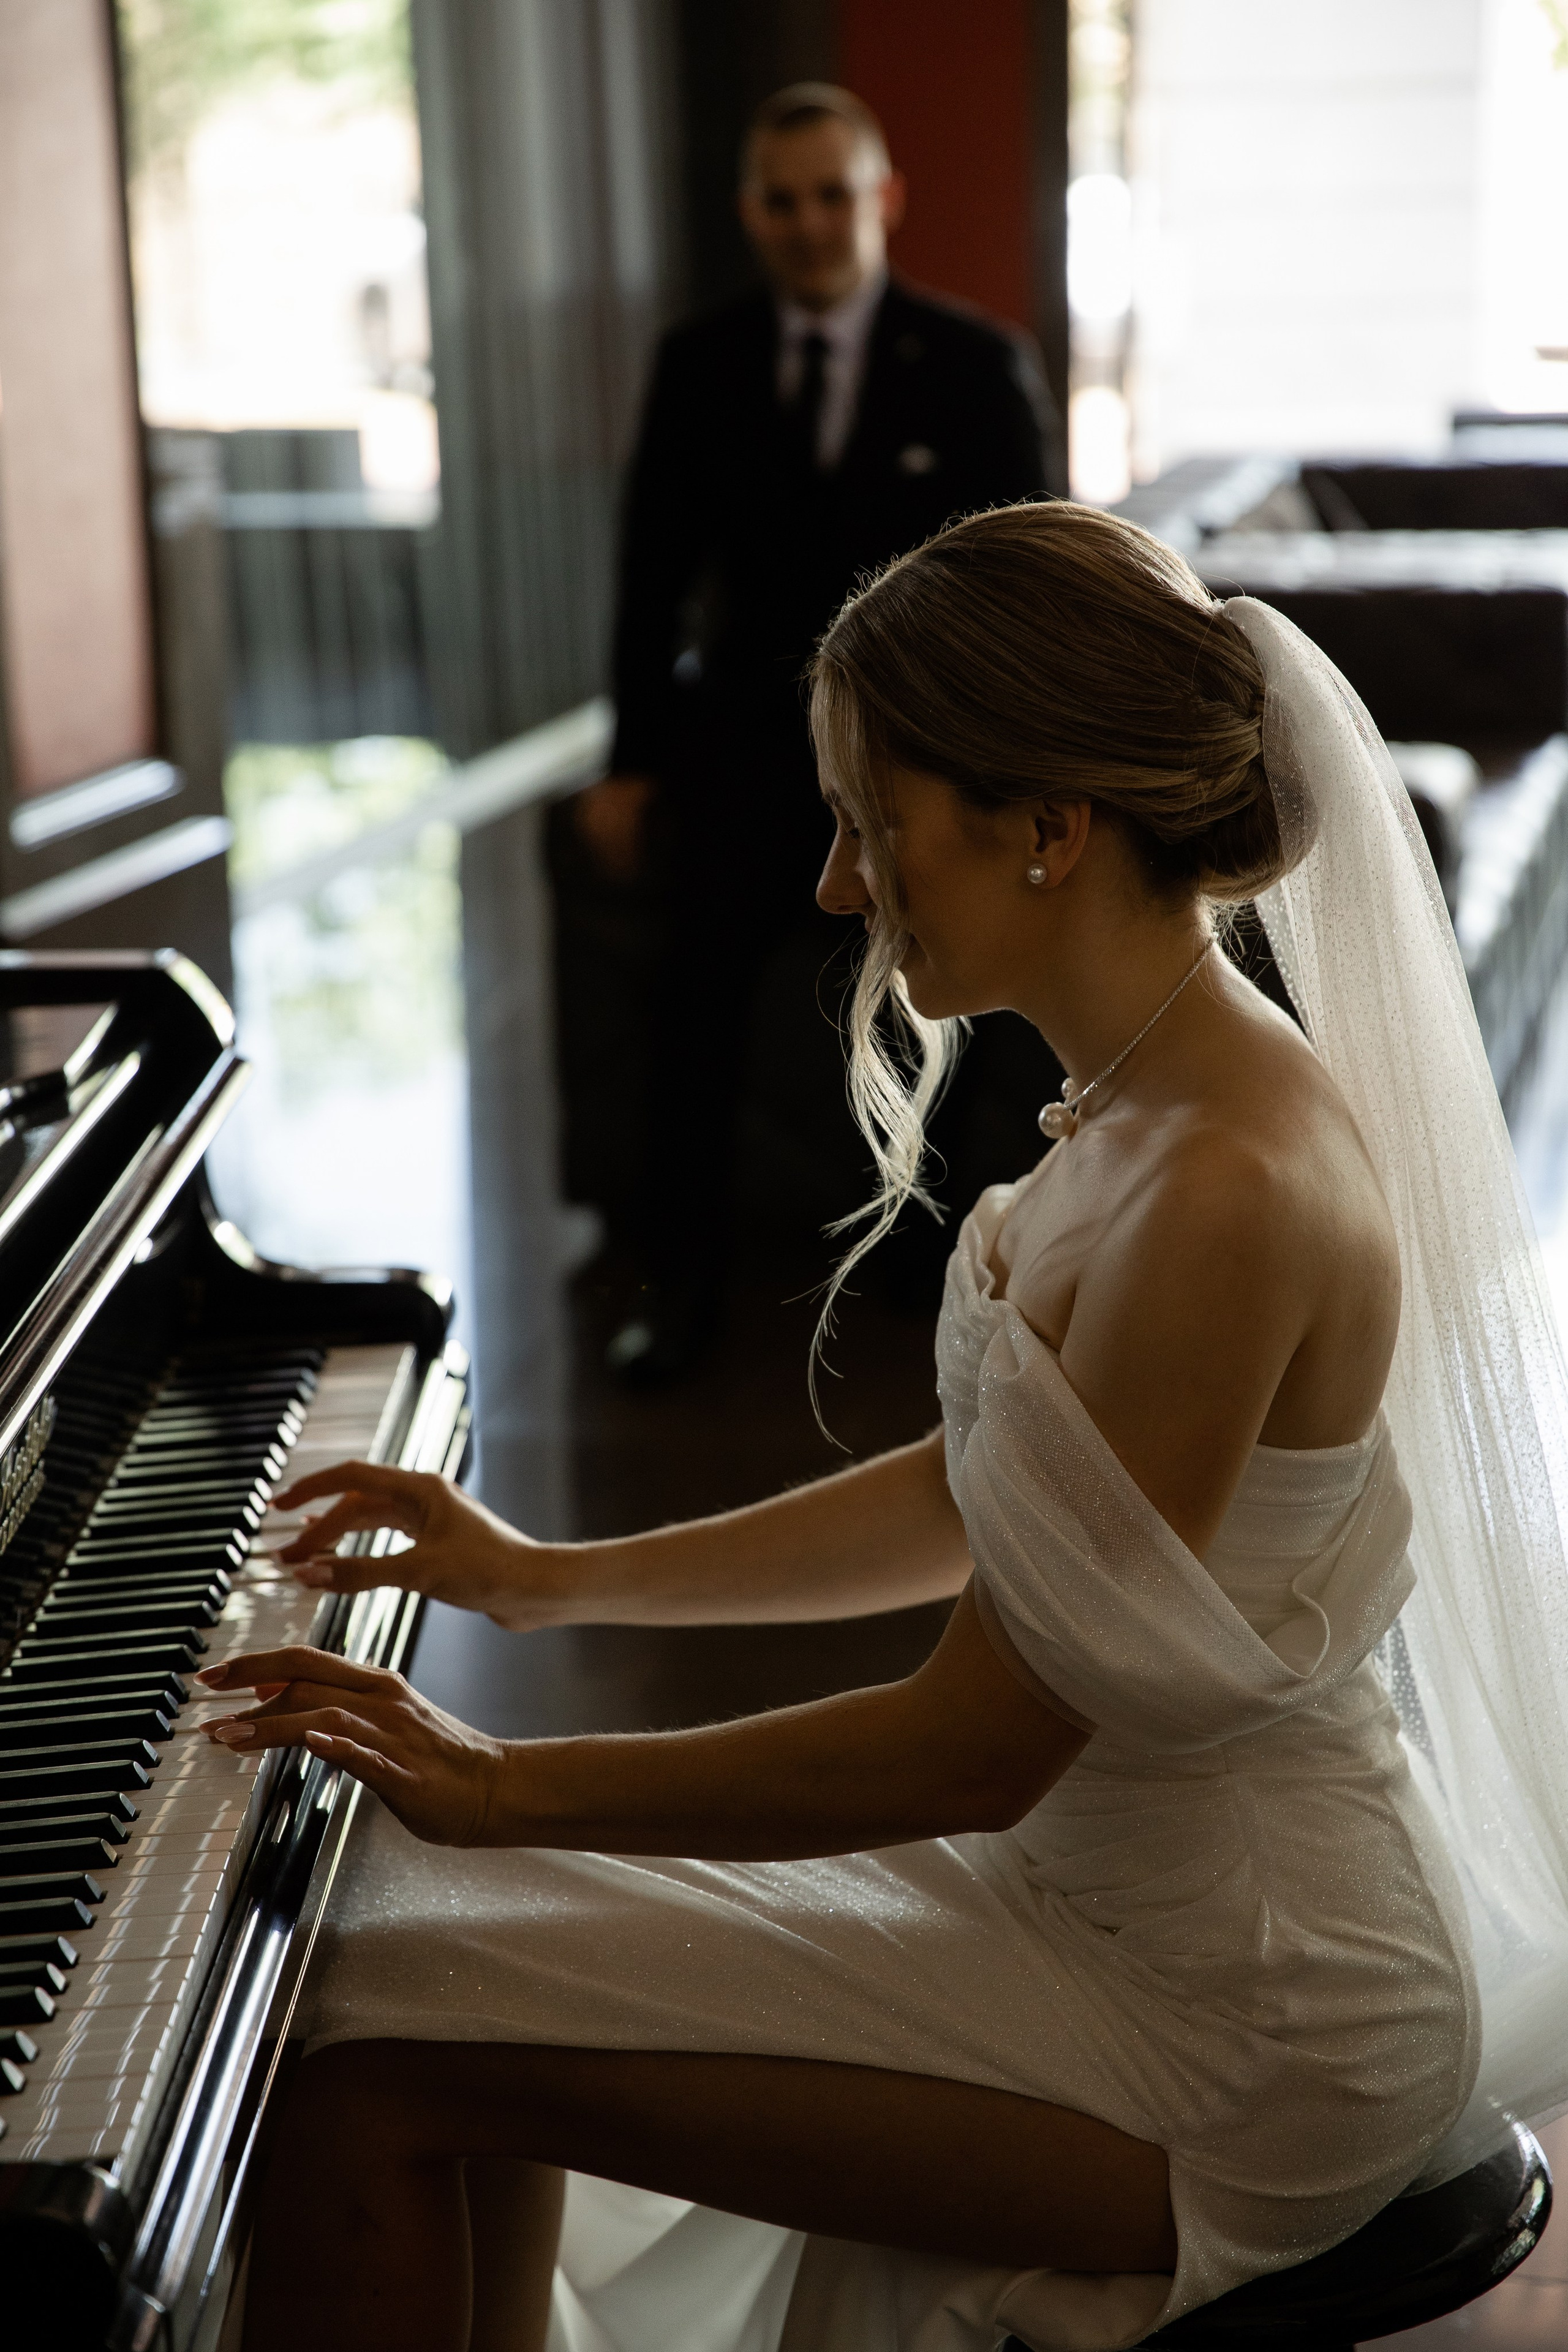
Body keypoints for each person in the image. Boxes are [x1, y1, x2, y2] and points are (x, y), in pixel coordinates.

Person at [205, 499, 1568, 2352]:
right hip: (1102, 1900)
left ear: (1049, 829)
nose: (842, 887)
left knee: (372, 2042)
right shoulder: (1138, 1101)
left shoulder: (1226, 1188)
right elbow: (984, 1497)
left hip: (1251, 2014)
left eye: (873, 823)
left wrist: (511, 1782)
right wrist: (538, 1582)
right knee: (401, 1948)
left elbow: (973, 1745)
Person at [577, 81, 1061, 1382]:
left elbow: (1026, 575)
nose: (807, 224)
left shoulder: (973, 364)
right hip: (740, 755)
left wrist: (1004, 760)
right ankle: (670, 1290)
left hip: (921, 760)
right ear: (751, 214)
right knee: (689, 1013)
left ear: (882, 199)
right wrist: (629, 764)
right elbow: (649, 574)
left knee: (950, 1007)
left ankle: (921, 1260)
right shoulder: (701, 362)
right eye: (780, 202)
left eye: (831, 195)